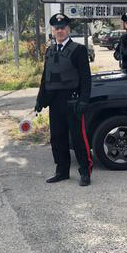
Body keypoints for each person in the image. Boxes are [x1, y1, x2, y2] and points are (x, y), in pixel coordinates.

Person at [34, 13, 93, 186]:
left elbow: (85, 78)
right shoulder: (50, 50)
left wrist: (84, 100)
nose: (59, 31)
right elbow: (46, 77)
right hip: (55, 102)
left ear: (69, 29)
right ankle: (62, 171)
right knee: (57, 138)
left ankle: (85, 172)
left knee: (78, 138)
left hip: (73, 101)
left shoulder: (79, 50)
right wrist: (40, 99)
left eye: (62, 28)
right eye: (56, 28)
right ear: (53, 30)